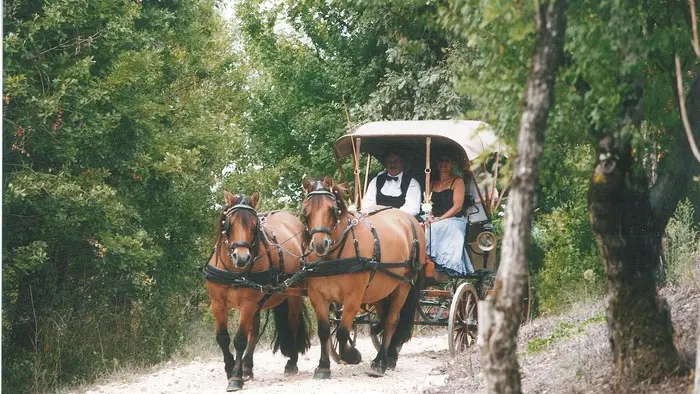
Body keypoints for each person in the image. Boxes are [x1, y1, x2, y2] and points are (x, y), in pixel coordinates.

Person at [425, 153, 475, 276]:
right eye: (441, 160)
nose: (444, 164)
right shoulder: (431, 183)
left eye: (447, 161)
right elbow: (427, 203)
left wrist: (440, 219)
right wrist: (429, 216)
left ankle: (439, 262)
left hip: (454, 219)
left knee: (435, 227)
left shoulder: (457, 181)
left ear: (452, 164)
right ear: (437, 164)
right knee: (420, 226)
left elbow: (457, 207)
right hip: (435, 218)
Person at [361, 151, 421, 216]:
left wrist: (392, 216)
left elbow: (412, 207)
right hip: (377, 219)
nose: (392, 164)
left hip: (401, 220)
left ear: (402, 163)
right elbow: (368, 202)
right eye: (389, 161)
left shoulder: (412, 183)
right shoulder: (376, 181)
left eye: (395, 161)